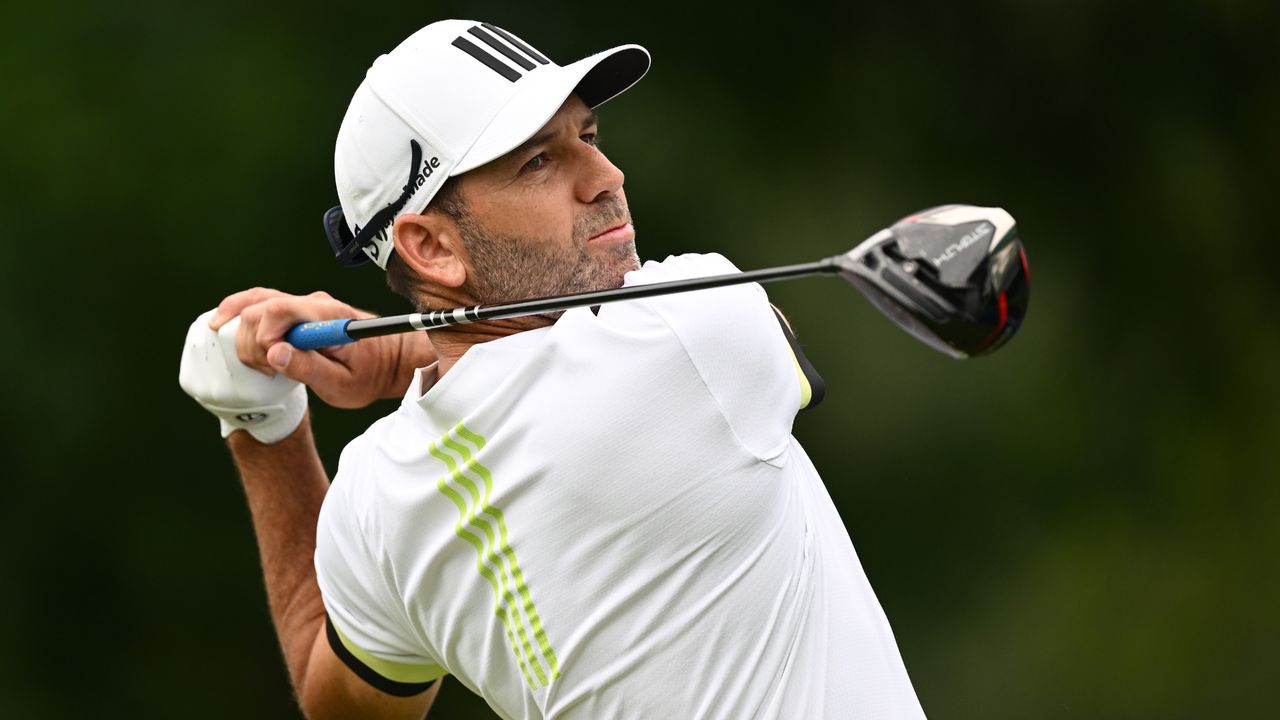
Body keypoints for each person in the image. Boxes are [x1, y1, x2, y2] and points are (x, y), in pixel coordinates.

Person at [179, 19, 926, 720]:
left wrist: (260, 426)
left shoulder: (373, 505)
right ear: (431, 247)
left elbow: (332, 695)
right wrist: (391, 354)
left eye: (589, 134)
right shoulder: (690, 334)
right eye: (539, 160)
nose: (606, 174)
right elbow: (764, 342)